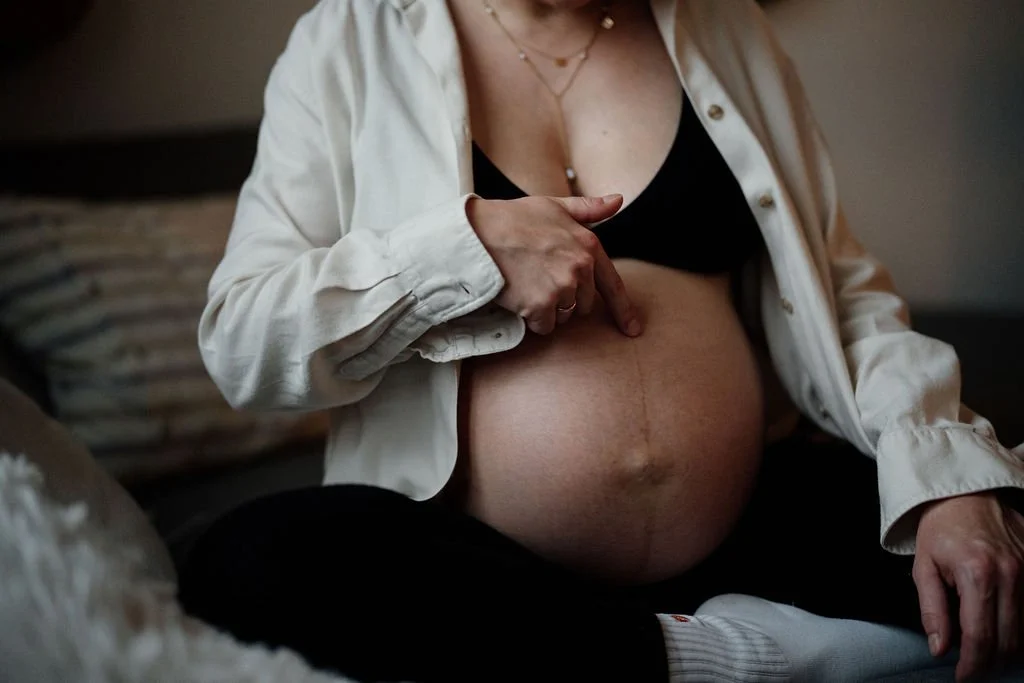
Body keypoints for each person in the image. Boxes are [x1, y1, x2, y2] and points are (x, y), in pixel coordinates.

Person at [181, 0, 1024, 681]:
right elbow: (244, 340)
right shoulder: (347, 42)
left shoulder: (726, 27)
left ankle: (633, 654)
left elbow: (843, 291)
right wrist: (461, 254)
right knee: (245, 565)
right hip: (484, 566)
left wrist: (943, 479)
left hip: (743, 522)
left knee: (995, 546)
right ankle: (734, 657)